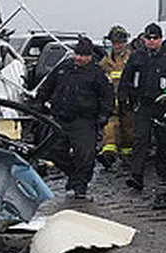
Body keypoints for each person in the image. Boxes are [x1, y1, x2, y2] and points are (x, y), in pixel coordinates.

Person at [35, 37, 113, 199]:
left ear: (90, 56)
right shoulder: (64, 67)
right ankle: (73, 174)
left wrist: (103, 116)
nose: (79, 58)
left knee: (85, 155)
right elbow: (47, 86)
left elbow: (107, 97)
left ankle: (80, 186)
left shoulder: (97, 74)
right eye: (77, 54)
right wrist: (40, 101)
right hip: (61, 117)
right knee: (52, 150)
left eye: (83, 55)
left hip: (84, 120)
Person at [119, 23, 166, 190]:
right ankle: (137, 176)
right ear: (143, 39)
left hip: (163, 105)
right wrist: (123, 100)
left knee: (162, 141)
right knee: (140, 140)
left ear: (160, 39)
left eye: (155, 38)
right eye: (148, 38)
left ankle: (163, 173)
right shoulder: (137, 56)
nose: (151, 41)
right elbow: (125, 79)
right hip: (143, 104)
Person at [98, 25, 135, 169]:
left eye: (120, 42)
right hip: (111, 102)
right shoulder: (105, 62)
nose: (117, 45)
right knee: (110, 127)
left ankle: (128, 156)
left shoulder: (132, 58)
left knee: (128, 129)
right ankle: (108, 155)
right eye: (115, 42)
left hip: (127, 101)